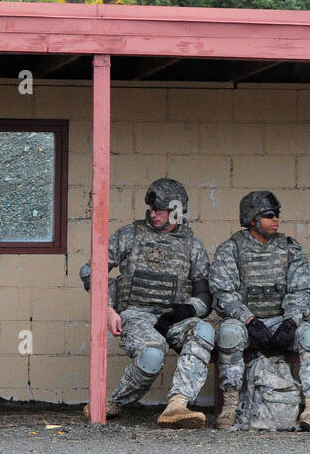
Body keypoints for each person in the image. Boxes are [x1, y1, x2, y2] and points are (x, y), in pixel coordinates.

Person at [80, 178, 213, 427]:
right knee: (152, 354)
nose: (153, 215)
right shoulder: (130, 235)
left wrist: (184, 311)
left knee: (203, 331)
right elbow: (92, 271)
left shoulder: (192, 245)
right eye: (151, 209)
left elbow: (205, 296)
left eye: (159, 210)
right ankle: (116, 403)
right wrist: (107, 309)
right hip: (136, 314)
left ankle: (177, 405)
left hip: (173, 317)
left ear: (176, 210)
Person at [210, 190, 310, 430]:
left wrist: (291, 322)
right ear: (252, 219)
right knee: (229, 334)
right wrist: (250, 320)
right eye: (269, 215)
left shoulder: (289, 247)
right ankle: (231, 405)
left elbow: (301, 289)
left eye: (277, 215)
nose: (276, 220)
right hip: (244, 322)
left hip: (281, 321)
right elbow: (223, 294)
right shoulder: (231, 249)